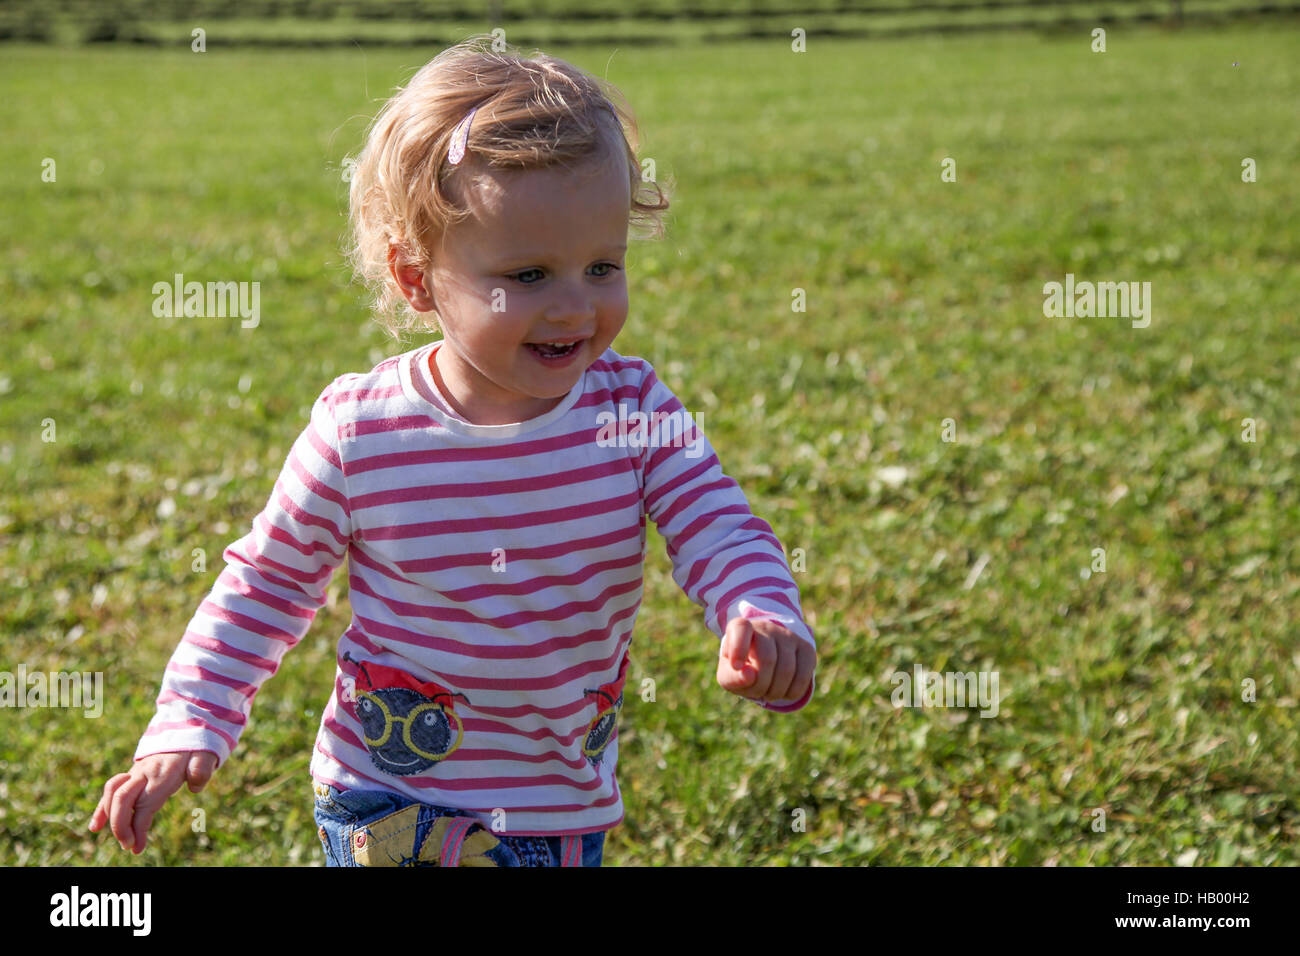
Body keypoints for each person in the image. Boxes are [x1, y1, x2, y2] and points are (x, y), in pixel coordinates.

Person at [90, 33, 817, 867]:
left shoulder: (634, 411)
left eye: (602, 266)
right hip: (389, 792)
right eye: (531, 277)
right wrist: (193, 716)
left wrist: (758, 607)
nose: (575, 308)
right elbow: (267, 580)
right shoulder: (362, 431)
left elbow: (719, 525)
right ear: (415, 278)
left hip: (556, 799)